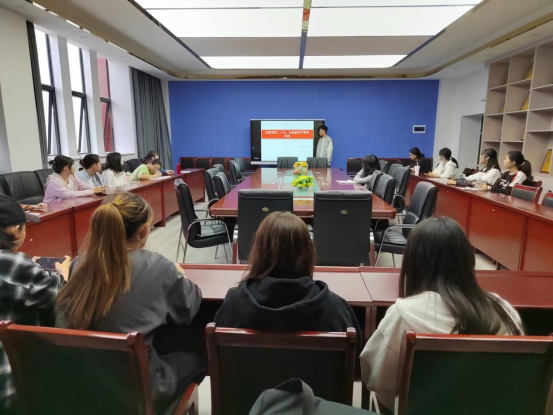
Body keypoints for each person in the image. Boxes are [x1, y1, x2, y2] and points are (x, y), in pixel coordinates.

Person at [55, 192, 203, 414]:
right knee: (197, 357)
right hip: (137, 393)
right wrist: (178, 274)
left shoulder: (79, 265)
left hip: (84, 388)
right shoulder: (159, 267)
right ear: (143, 231)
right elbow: (188, 309)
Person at [360, 217, 523, 413]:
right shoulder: (505, 311)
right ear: (468, 259)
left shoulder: (403, 314)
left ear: (412, 263)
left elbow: (375, 378)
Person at [214, 211, 362, 349]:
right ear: (308, 253)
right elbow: (356, 359)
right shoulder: (335, 309)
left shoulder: (233, 305)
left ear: (259, 252)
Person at [0, 195, 69, 414]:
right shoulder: (18, 265)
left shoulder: (19, 266)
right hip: (12, 385)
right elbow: (61, 296)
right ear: (14, 230)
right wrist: (64, 274)